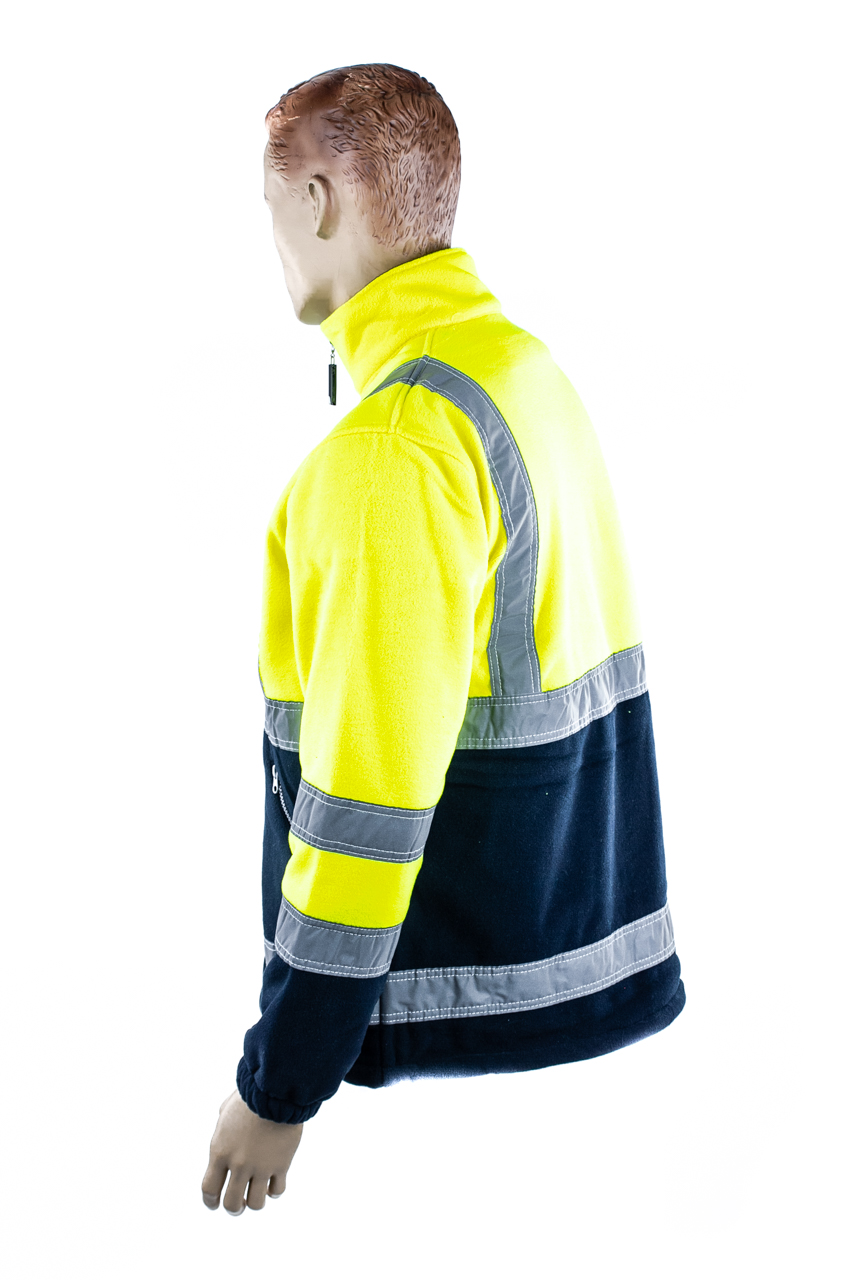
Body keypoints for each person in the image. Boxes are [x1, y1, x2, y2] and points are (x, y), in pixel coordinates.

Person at [202, 63, 685, 1216]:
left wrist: (281, 1082)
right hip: (582, 986)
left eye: (270, 206)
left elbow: (364, 805)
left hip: (449, 1032)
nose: (271, 239)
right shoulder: (517, 371)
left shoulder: (394, 447)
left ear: (316, 201)